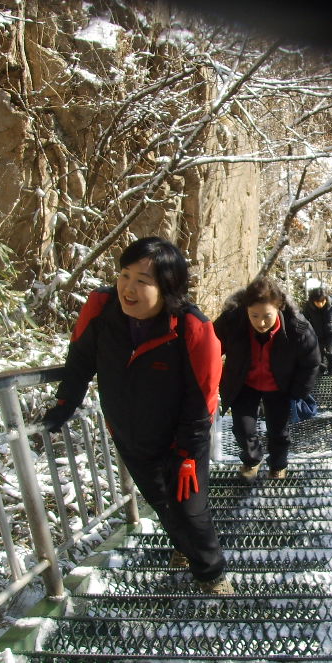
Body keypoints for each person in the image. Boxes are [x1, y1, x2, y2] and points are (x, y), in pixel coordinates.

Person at [40, 237, 233, 595]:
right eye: (125, 275)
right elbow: (80, 358)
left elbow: (202, 397)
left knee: (191, 510)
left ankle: (212, 575)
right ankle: (182, 548)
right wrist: (66, 402)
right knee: (160, 501)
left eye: (143, 281)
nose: (128, 288)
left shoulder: (190, 327)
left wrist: (189, 453)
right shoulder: (101, 309)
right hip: (129, 432)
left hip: (180, 439)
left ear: (167, 287)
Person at [214, 276, 320, 480]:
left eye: (267, 316)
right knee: (242, 428)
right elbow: (210, 347)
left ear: (279, 309)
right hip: (244, 383)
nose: (260, 323)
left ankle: (278, 464)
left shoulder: (296, 328)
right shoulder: (233, 322)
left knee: (278, 430)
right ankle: (252, 459)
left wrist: (298, 391)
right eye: (254, 315)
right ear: (245, 310)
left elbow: (311, 361)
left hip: (279, 384)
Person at [302, 286, 332, 375]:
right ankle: (321, 371)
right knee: (318, 357)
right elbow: (304, 319)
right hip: (317, 335)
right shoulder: (308, 306)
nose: (320, 304)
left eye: (322, 301)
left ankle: (331, 370)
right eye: (317, 302)